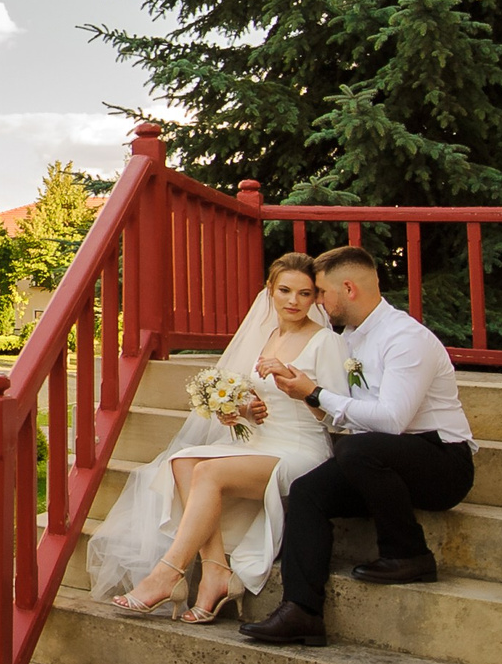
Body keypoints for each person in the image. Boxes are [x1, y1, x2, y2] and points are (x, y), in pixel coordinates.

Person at [90, 253, 353, 623]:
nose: (293, 301)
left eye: (305, 293)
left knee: (208, 473)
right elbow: (257, 402)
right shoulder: (269, 336)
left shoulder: (325, 341)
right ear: (270, 291)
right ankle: (215, 572)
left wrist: (300, 390)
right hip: (261, 443)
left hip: (302, 449)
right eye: (285, 290)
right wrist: (241, 412)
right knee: (182, 461)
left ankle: (168, 573)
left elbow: (335, 416)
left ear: (315, 299)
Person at [240, 244, 478, 648]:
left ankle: (409, 554)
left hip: (442, 461)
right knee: (307, 490)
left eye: (320, 292)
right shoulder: (347, 338)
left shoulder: (404, 338)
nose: (317, 301)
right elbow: (349, 412)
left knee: (357, 450)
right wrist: (300, 393)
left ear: (347, 288)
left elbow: (392, 420)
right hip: (381, 461)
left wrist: (315, 392)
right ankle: (302, 612)